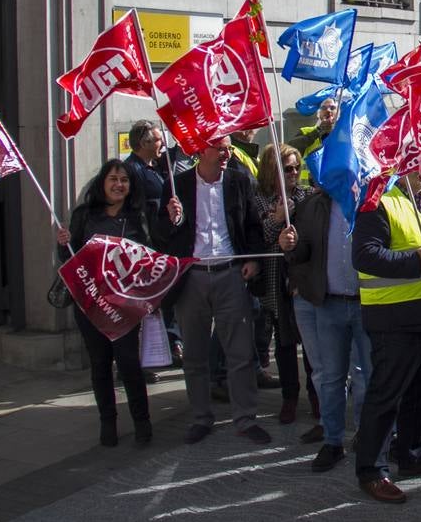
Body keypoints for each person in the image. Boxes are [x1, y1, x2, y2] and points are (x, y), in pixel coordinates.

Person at [157, 135, 274, 445]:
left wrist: (252, 260)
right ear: (201, 151)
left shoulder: (238, 180)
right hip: (192, 277)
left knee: (240, 352)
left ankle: (246, 418)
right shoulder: (178, 184)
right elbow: (161, 234)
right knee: (194, 354)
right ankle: (200, 417)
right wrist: (170, 220)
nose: (227, 153)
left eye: (228, 148)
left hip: (230, 274)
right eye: (220, 148)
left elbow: (252, 225)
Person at [351, 176, 421, 502]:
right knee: (386, 397)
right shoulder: (379, 200)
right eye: (418, 161)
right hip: (395, 320)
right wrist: (413, 261)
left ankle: (412, 455)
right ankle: (371, 470)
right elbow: (365, 256)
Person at [56, 159, 153, 447]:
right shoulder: (84, 215)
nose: (119, 185)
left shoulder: (137, 217)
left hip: (123, 306)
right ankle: (107, 422)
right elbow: (68, 261)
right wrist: (63, 243)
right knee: (100, 364)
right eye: (113, 179)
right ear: (102, 183)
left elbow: (149, 257)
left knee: (128, 363)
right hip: (90, 304)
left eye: (124, 180)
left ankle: (142, 422)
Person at [281, 182, 371, 471]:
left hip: (368, 303)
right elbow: (302, 252)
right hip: (329, 304)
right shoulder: (312, 206)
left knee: (367, 375)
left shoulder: (373, 202)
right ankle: (332, 441)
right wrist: (290, 247)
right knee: (331, 378)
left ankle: (367, 434)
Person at [253, 143, 308, 425]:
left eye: (297, 167)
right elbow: (261, 234)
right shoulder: (261, 197)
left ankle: (316, 395)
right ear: (273, 170)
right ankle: (289, 397)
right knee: (284, 342)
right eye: (288, 168)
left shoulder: (305, 195)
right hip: (276, 280)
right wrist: (277, 222)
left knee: (311, 344)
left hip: (303, 279)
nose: (294, 173)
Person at [288, 97, 339, 187]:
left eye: (332, 108)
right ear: (318, 114)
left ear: (338, 113)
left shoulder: (344, 135)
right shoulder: (306, 132)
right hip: (307, 192)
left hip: (333, 190)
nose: (328, 110)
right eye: (323, 108)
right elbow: (290, 149)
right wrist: (318, 131)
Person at [123, 120, 166, 218]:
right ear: (144, 144)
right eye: (158, 140)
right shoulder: (131, 170)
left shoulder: (157, 165)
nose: (163, 143)